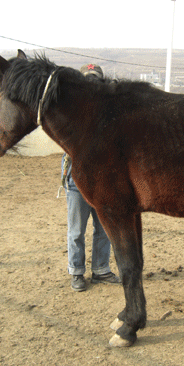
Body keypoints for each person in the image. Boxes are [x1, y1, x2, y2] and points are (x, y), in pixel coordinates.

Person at [61, 64, 120, 292]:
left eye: (96, 81)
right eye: (89, 81)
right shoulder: (72, 114)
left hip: (103, 180)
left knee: (103, 228)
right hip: (77, 179)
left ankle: (100, 270)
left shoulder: (109, 115)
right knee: (76, 230)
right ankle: (76, 272)